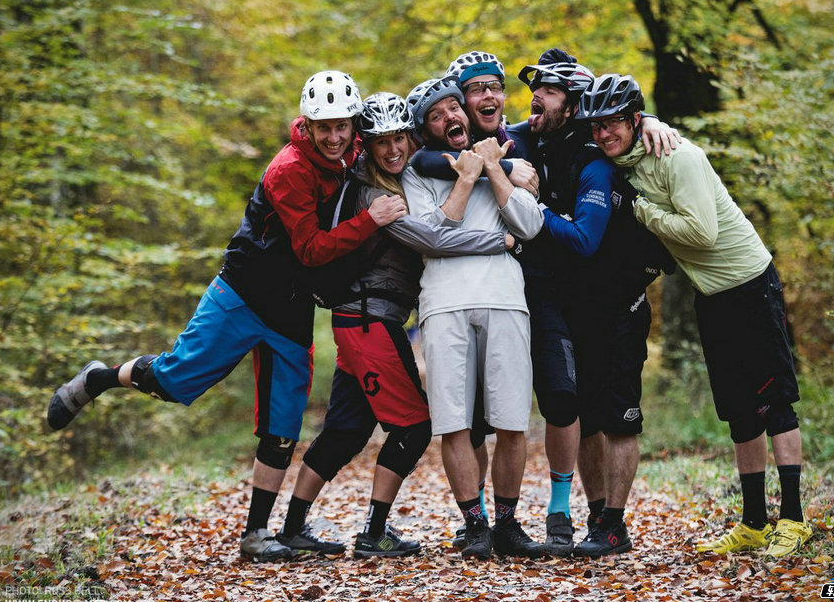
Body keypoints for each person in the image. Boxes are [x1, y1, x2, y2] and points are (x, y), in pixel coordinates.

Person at [45, 71, 409, 562]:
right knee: (175, 381)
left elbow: (403, 146)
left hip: (292, 308)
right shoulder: (289, 169)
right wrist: (371, 220)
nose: (335, 136)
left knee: (283, 423)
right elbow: (309, 250)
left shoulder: (353, 154)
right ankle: (99, 377)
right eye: (324, 127)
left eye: (343, 126)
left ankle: (257, 534)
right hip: (241, 294)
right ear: (307, 123)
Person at [581, 74, 812, 558]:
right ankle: (753, 522)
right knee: (738, 411)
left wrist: (643, 211)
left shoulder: (676, 156)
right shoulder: (624, 160)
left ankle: (794, 519)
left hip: (749, 283)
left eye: (614, 124)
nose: (605, 134)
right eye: (597, 126)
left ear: (635, 119)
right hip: (712, 296)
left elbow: (701, 233)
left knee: (775, 404)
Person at [274, 92, 514, 558]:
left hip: (363, 320)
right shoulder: (375, 192)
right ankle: (374, 533)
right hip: (370, 321)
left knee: (346, 430)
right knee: (414, 427)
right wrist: (500, 240)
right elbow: (434, 238)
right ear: (367, 144)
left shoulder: (406, 173)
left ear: (410, 135)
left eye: (398, 138)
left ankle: (292, 527)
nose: (392, 150)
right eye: (381, 142)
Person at [512, 50, 678, 558]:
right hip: (577, 306)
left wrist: (649, 119)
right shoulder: (531, 137)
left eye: (549, 90)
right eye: (535, 88)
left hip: (622, 305)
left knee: (621, 418)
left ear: (573, 101)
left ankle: (615, 524)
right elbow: (465, 140)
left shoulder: (597, 150)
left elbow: (584, 240)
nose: (536, 97)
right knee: (584, 418)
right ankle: (597, 518)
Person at [401, 75, 545, 560]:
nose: (450, 119)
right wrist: (467, 177)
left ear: (465, 110)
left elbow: (529, 225)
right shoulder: (418, 173)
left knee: (510, 421)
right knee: (454, 422)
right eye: (436, 117)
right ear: (427, 130)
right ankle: (474, 522)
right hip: (442, 301)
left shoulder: (507, 157)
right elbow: (434, 234)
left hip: (506, 295)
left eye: (452, 109)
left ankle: (506, 522)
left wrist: (494, 169)